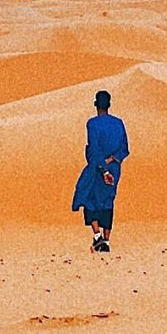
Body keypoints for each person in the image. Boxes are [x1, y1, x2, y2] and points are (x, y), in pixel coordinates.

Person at [72, 89, 129, 252]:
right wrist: (111, 161)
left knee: (88, 197)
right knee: (108, 200)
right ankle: (106, 240)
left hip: (97, 168)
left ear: (96, 105)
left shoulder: (92, 123)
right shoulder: (118, 123)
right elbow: (124, 149)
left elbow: (94, 149)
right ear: (109, 105)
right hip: (114, 167)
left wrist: (103, 169)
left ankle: (97, 236)